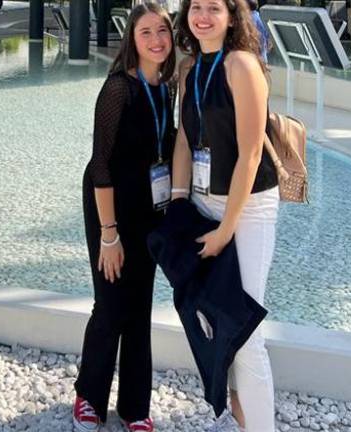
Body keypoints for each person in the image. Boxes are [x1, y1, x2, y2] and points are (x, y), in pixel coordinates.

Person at [171, 0, 279, 430]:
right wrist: (179, 204)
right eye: (195, 7)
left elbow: (250, 154)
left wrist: (225, 230)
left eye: (213, 7)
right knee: (214, 317)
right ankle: (238, 410)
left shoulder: (242, 65)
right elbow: (184, 139)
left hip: (248, 207)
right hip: (203, 201)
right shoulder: (189, 69)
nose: (202, 16)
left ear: (232, 16)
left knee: (244, 330)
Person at [73, 3, 176, 432]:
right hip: (110, 208)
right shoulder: (118, 89)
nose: (156, 40)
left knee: (139, 306)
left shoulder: (168, 87)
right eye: (145, 32)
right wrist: (109, 235)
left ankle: (135, 407)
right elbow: (100, 164)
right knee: (112, 303)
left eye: (162, 31)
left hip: (149, 209)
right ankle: (88, 396)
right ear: (132, 40)